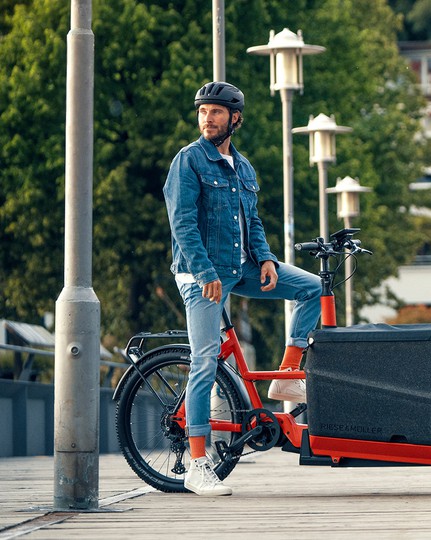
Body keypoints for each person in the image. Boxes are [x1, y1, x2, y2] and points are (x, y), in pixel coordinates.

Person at [163, 81, 321, 496]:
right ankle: (198, 463)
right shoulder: (188, 161)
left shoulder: (244, 168)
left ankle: (286, 376)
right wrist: (204, 273)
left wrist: (266, 258)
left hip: (241, 267)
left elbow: (251, 222)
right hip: (201, 275)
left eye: (215, 112)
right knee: (205, 359)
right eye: (202, 112)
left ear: (235, 118)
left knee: (312, 288)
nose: (206, 119)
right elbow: (182, 225)